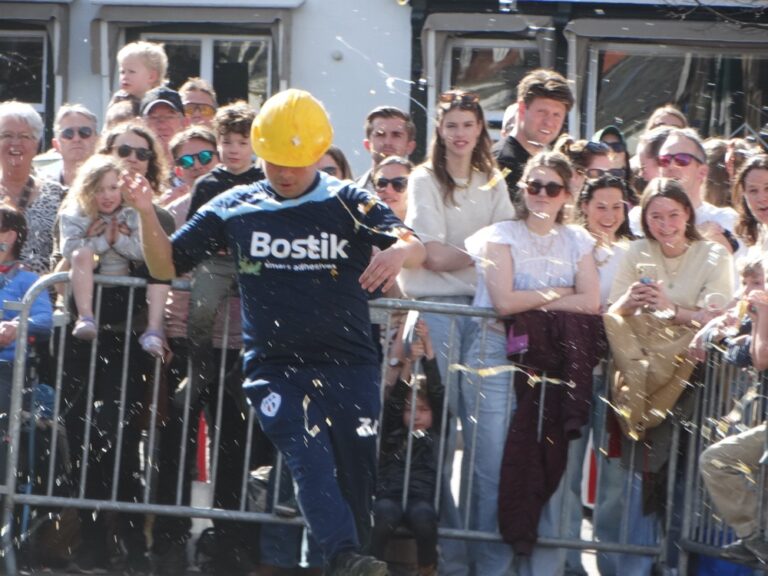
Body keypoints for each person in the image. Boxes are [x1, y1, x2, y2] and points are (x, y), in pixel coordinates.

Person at [124, 88, 426, 576]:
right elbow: (166, 264)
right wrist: (143, 213)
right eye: (275, 162)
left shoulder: (348, 199)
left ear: (316, 154)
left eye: (297, 163)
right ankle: (345, 556)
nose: (285, 173)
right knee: (307, 457)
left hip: (349, 363)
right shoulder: (233, 204)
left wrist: (398, 252)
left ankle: (349, 560)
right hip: (275, 367)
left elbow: (414, 245)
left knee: (355, 475)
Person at [463, 151, 600, 575]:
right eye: (534, 186)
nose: (542, 195)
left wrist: (537, 304)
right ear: (522, 190)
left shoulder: (578, 240)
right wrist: (559, 292)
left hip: (554, 366)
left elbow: (592, 301)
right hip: (494, 357)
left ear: (566, 194)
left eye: (552, 188)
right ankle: (492, 569)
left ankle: (543, 570)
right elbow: (503, 301)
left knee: (548, 463)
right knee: (490, 466)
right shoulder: (498, 236)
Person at [600, 177, 734, 575]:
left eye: (673, 214)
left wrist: (671, 309)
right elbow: (614, 309)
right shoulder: (636, 250)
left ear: (688, 214)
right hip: (643, 379)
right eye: (655, 216)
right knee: (641, 478)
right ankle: (636, 568)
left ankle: (678, 565)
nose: (665, 224)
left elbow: (718, 317)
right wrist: (632, 300)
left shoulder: (713, 254)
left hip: (698, 381)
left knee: (687, 481)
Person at [60, 154, 166, 351]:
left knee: (157, 265)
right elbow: (68, 250)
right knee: (82, 254)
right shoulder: (75, 214)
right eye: (98, 190)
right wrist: (100, 241)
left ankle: (153, 330)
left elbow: (141, 252)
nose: (107, 195)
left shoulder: (132, 213)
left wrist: (118, 240)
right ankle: (85, 317)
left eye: (113, 188)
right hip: (91, 288)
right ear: (87, 191)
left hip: (127, 293)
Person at [370, 319, 442, 576]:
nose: (415, 416)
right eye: (410, 410)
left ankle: (427, 568)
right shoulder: (393, 429)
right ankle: (372, 569)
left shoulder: (434, 431)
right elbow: (397, 398)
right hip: (389, 494)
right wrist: (409, 362)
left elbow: (436, 389)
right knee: (384, 515)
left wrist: (429, 349)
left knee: (424, 518)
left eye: (423, 410)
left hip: (419, 497)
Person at [98, 121, 174, 356]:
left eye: (142, 154)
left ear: (149, 164)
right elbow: (60, 279)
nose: (132, 158)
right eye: (123, 151)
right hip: (84, 321)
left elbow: (163, 272)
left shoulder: (162, 217)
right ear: (106, 154)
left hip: (136, 330)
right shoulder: (78, 208)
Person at [0, 203, 53, 478]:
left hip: (9, 367)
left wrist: (15, 326)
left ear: (9, 236)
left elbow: (45, 320)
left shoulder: (29, 280)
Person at [0, 101, 66, 274]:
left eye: (24, 136)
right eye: (7, 135)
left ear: (36, 144)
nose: (15, 143)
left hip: (40, 297)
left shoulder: (57, 195)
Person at [494, 68, 574, 199]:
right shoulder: (501, 163)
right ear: (522, 108)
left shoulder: (550, 165)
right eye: (542, 112)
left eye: (557, 115)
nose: (549, 122)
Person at [356, 105, 416, 191]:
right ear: (367, 144)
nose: (387, 142)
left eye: (396, 135)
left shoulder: (425, 192)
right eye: (380, 134)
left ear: (410, 146)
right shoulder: (349, 194)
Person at [44, 104, 99, 188]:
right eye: (68, 133)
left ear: (97, 141)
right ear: (56, 145)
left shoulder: (111, 186)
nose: (76, 139)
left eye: (85, 132)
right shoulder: (43, 187)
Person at [141, 87, 189, 167]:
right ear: (140, 124)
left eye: (169, 117)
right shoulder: (134, 168)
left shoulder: (196, 166)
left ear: (184, 123)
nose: (162, 126)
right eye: (154, 117)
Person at [372, 155, 412, 222]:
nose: (388, 190)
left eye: (398, 184)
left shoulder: (425, 230)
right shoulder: (360, 227)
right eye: (381, 183)